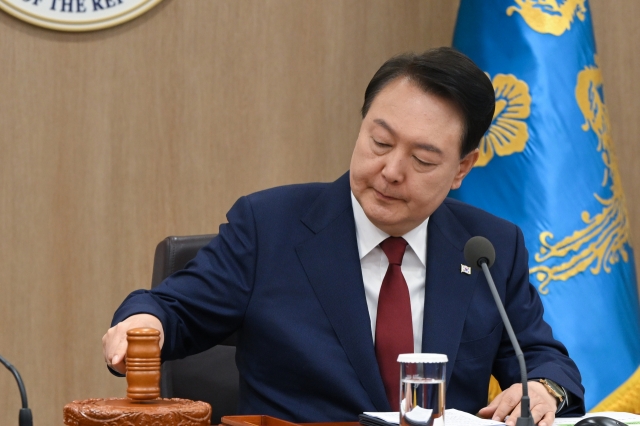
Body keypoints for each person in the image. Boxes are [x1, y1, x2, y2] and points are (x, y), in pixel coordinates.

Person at [103, 47, 585, 425]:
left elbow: (543, 358)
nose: (391, 171)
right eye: (379, 142)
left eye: (422, 160)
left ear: (462, 168)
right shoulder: (269, 225)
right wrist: (144, 321)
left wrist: (543, 389)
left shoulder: (488, 247)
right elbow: (174, 310)